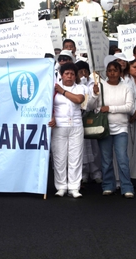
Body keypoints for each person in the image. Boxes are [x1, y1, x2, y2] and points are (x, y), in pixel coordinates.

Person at [87, 61, 135, 198]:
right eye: (109, 70)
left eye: (115, 70)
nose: (112, 73)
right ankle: (108, 185)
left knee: (122, 159)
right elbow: (90, 106)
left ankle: (126, 187)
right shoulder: (100, 86)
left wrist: (110, 108)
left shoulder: (126, 87)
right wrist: (95, 95)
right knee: (106, 160)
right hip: (104, 128)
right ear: (106, 72)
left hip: (121, 128)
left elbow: (129, 107)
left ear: (120, 72)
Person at [48, 63, 85, 198]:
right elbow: (48, 105)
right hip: (59, 127)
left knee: (75, 158)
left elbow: (78, 99)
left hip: (76, 126)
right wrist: (52, 117)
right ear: (61, 75)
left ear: (75, 76)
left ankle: (74, 187)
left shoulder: (80, 87)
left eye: (72, 74)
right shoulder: (53, 88)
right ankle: (61, 186)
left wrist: (62, 91)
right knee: (59, 157)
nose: (69, 76)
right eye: (66, 74)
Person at [76, 61, 102, 184]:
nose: (83, 74)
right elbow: (82, 104)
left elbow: (91, 104)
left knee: (94, 147)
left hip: (92, 118)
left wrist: (95, 93)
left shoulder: (94, 83)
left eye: (85, 71)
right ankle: (84, 172)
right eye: (80, 71)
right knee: (83, 147)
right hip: (80, 119)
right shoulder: (77, 85)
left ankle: (96, 171)